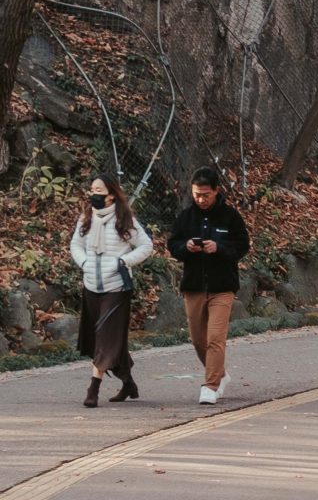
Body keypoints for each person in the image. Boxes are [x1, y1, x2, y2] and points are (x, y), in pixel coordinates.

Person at [167, 166, 251, 407]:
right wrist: (187, 248)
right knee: (197, 339)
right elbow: (173, 244)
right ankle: (220, 373)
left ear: (216, 191)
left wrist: (220, 248)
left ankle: (211, 385)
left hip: (222, 286)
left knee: (216, 337)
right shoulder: (185, 217)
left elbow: (242, 245)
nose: (201, 199)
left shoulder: (230, 216)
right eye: (196, 194)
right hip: (193, 285)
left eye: (205, 194)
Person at [70, 176, 154, 408]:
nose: (93, 194)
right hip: (91, 286)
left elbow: (147, 246)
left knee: (105, 337)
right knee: (106, 339)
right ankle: (128, 383)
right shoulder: (86, 218)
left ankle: (93, 389)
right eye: (91, 189)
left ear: (111, 195)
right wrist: (84, 262)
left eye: (98, 190)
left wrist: (123, 261)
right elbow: (75, 244)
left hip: (117, 287)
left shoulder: (124, 219)